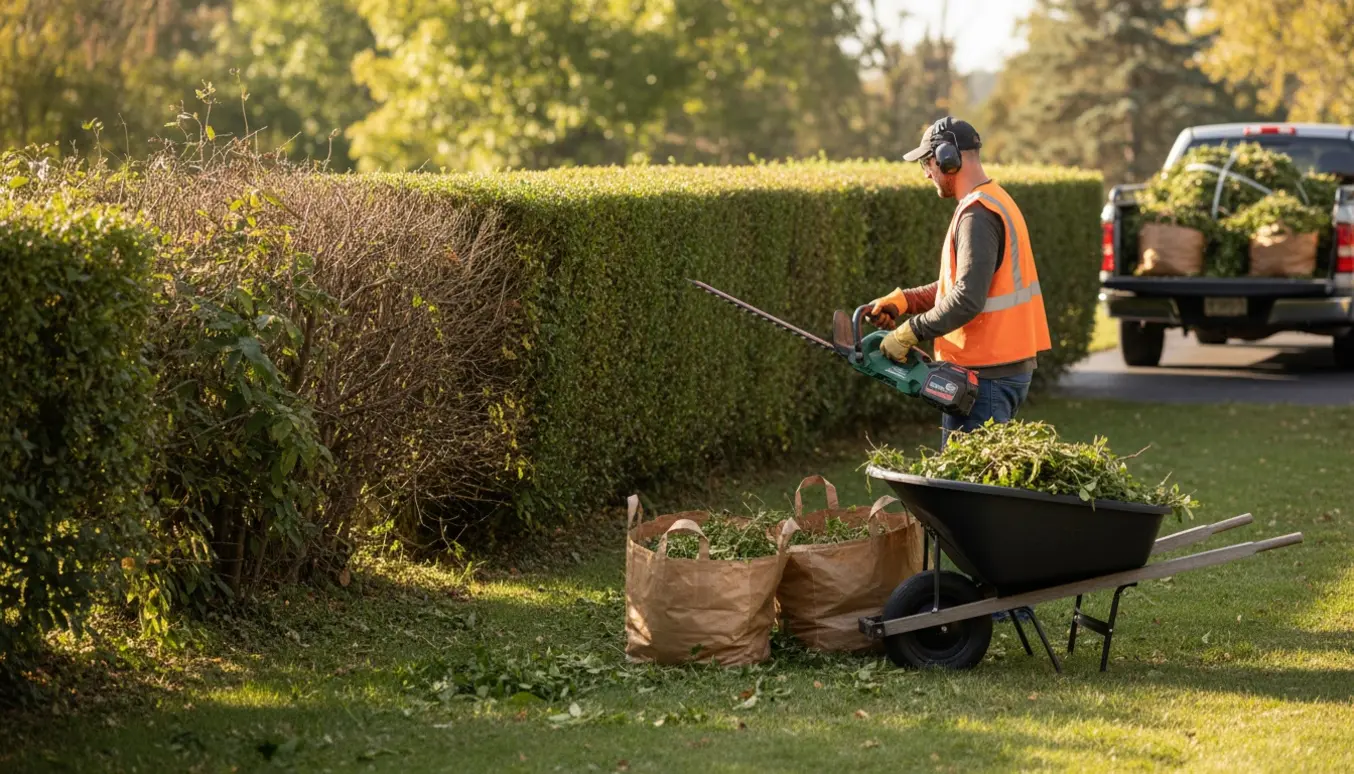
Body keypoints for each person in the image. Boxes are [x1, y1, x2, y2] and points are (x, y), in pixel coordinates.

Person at [865, 116, 1052, 448]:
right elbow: (963, 285)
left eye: (928, 161)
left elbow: (967, 298)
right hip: (995, 369)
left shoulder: (977, 215)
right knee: (979, 483)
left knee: (970, 489)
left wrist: (910, 332)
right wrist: (905, 300)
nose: (926, 172)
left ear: (948, 158)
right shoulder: (992, 200)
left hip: (985, 377)